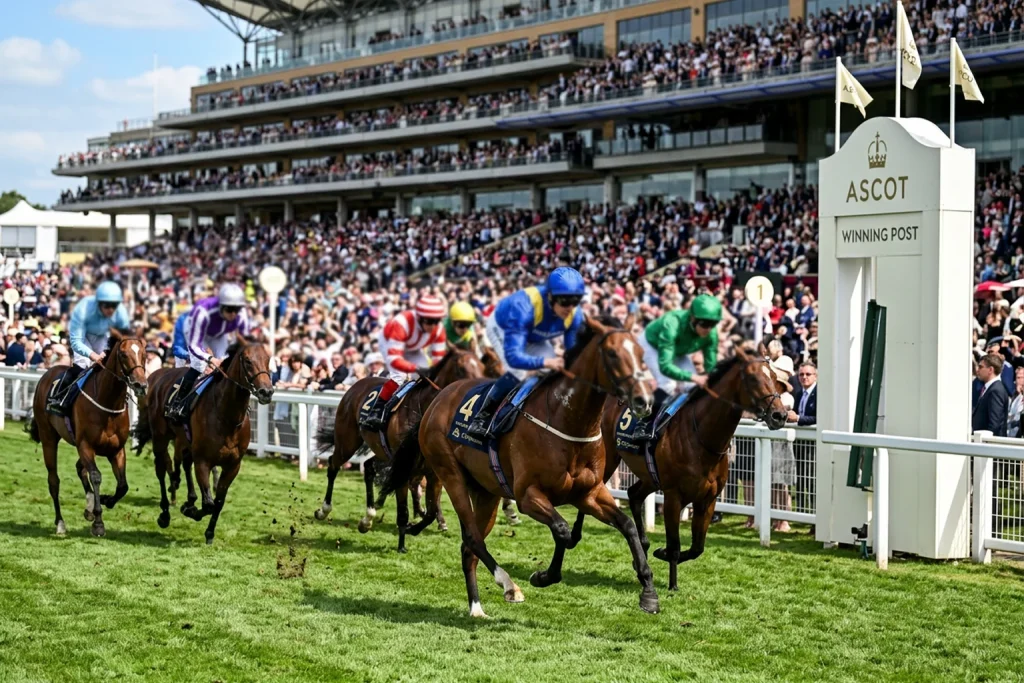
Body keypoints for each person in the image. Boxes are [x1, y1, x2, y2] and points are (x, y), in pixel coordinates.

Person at [465, 266, 584, 439]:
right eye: (565, 301)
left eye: (576, 300)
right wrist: (545, 362)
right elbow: (514, 358)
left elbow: (572, 355)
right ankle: (482, 417)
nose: (570, 307)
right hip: (503, 328)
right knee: (519, 372)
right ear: (550, 296)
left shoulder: (575, 315)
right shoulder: (524, 307)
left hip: (533, 335)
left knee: (555, 372)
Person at [632, 293, 720, 441]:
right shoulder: (672, 323)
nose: (708, 329)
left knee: (692, 387)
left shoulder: (712, 334)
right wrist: (694, 376)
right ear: (693, 318)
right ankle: (643, 425)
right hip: (652, 345)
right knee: (668, 384)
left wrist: (707, 378)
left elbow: (710, 366)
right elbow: (665, 366)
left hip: (678, 349)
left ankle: (685, 423)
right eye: (704, 324)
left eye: (713, 324)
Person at [165, 283, 251, 423]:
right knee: (199, 365)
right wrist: (210, 358)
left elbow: (246, 341)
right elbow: (193, 345)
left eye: (237, 309)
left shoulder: (241, 314)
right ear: (221, 306)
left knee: (226, 363)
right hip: (199, 334)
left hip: (219, 334)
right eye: (230, 310)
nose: (233, 314)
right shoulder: (202, 313)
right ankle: (178, 404)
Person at [361, 294, 447, 431]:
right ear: (419, 318)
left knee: (429, 378)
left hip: (412, 346)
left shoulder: (439, 330)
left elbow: (438, 359)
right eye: (429, 321)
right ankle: (376, 411)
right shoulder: (402, 323)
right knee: (399, 378)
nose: (433, 326)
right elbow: (395, 359)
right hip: (390, 342)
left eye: (436, 321)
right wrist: (415, 367)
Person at [46, 281, 130, 416]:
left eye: (114, 306)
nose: (111, 309)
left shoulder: (120, 312)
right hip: (83, 336)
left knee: (111, 365)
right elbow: (76, 342)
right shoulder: (83, 309)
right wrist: (93, 355)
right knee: (82, 365)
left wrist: (107, 350)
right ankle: (60, 398)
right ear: (99, 303)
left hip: (103, 335)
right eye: (107, 305)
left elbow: (123, 336)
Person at [973, 353, 1010, 437]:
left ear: (990, 370)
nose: (977, 370)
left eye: (981, 367)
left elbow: (995, 423)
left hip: (989, 444)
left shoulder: (995, 390)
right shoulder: (990, 388)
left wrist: (986, 443)